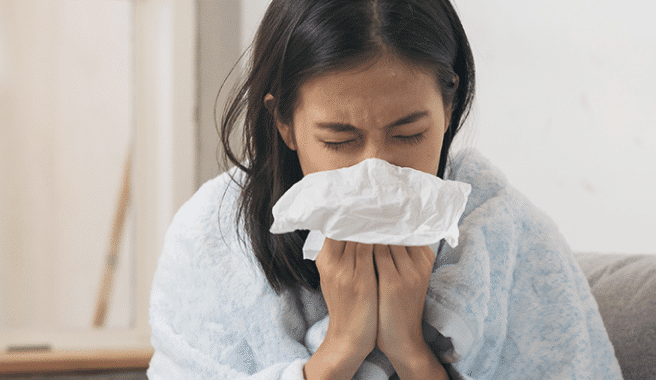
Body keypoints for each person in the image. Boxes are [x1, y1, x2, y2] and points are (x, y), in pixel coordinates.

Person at [148, 0, 623, 379]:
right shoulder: (210, 238)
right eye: (339, 140)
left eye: (409, 134)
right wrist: (339, 352)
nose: (375, 172)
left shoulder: (508, 234)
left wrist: (411, 352)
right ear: (286, 124)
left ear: (448, 107)